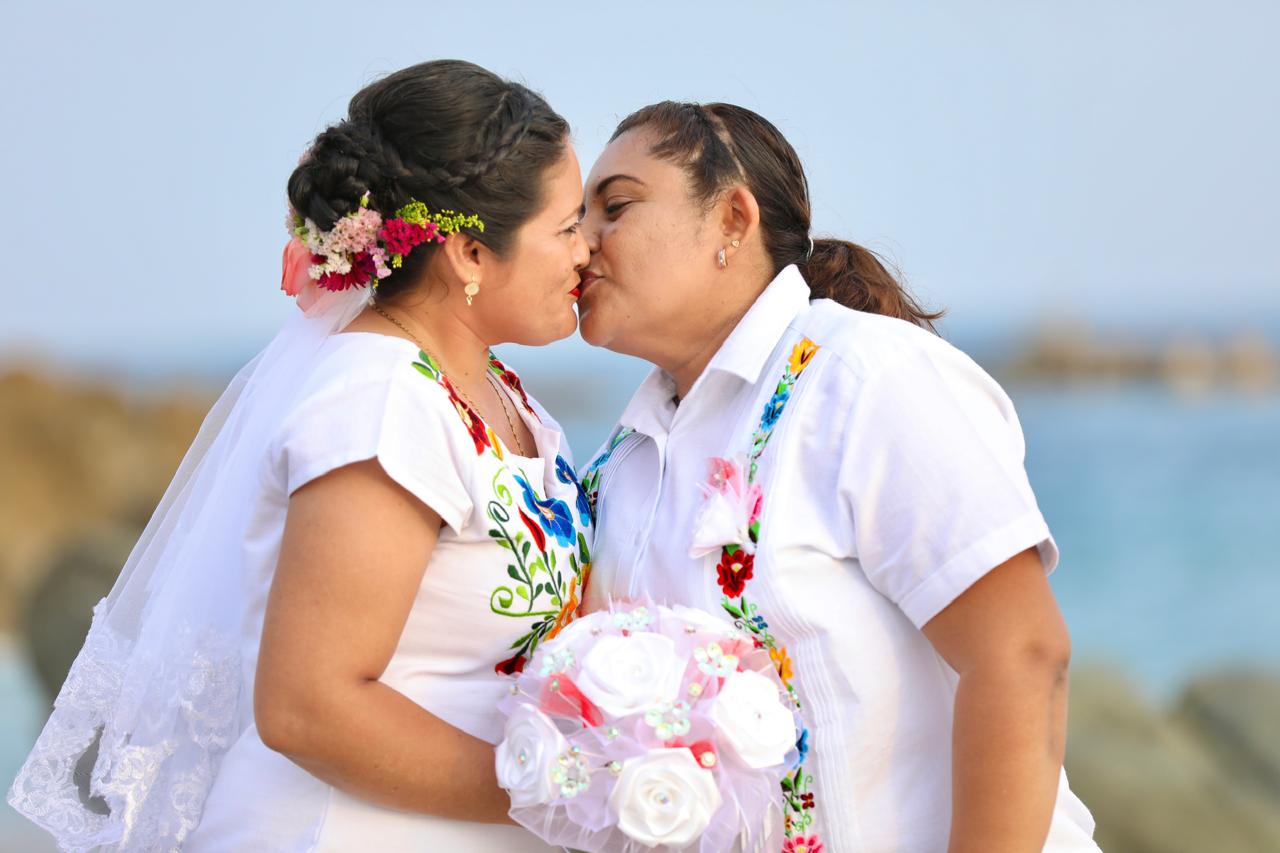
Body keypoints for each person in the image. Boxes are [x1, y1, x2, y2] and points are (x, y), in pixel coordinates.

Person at [9, 59, 591, 851]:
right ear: (469, 255)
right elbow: (307, 706)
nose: (587, 249)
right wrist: (563, 791)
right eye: (566, 226)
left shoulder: (492, 385)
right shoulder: (380, 400)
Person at [577, 101, 1102, 852]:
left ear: (732, 218)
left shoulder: (865, 375)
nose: (582, 242)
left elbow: (1021, 652)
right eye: (576, 217)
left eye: (615, 207)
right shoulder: (621, 462)